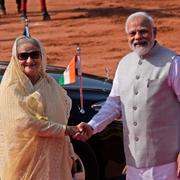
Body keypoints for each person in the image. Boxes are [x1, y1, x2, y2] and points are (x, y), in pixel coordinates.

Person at [74, 12, 180, 180]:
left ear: (154, 32)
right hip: (133, 164)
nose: (138, 37)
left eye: (143, 31)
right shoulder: (124, 64)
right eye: (132, 33)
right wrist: (92, 126)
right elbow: (114, 104)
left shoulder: (173, 62)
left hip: (166, 163)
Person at [0, 35, 79, 179]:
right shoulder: (9, 89)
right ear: (15, 59)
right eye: (23, 56)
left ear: (42, 56)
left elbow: (61, 117)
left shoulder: (50, 84)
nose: (29, 60)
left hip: (53, 163)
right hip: (23, 165)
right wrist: (67, 130)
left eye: (34, 54)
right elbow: (25, 124)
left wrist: (70, 151)